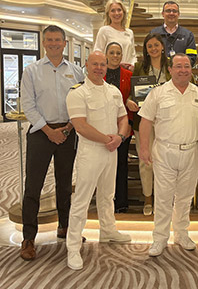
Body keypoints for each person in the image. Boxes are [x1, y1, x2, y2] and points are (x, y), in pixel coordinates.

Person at [19, 25, 84, 261]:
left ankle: (65, 227)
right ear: (43, 43)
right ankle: (28, 238)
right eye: (50, 40)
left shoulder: (77, 72)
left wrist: (67, 128)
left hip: (68, 132)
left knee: (65, 183)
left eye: (58, 40)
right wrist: (48, 130)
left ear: (65, 43)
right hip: (40, 133)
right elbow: (28, 105)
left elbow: (81, 101)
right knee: (33, 186)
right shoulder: (32, 71)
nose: (54, 43)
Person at [66, 51, 131, 269]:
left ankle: (108, 230)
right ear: (86, 65)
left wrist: (120, 137)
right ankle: (73, 246)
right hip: (91, 150)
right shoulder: (78, 92)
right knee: (82, 200)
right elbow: (80, 125)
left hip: (111, 149)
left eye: (102, 64)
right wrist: (108, 140)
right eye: (95, 64)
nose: (99, 68)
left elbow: (123, 118)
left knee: (107, 194)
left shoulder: (113, 91)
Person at [139, 54, 198, 255]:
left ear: (191, 69)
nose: (183, 70)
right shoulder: (158, 93)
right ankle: (159, 238)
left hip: (192, 151)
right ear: (170, 69)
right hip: (164, 151)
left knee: (185, 197)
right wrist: (143, 148)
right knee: (163, 198)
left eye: (187, 66)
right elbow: (145, 121)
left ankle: (181, 233)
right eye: (178, 66)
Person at [127, 31, 172, 214]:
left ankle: (165, 199)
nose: (153, 48)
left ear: (162, 47)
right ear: (146, 50)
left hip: (167, 120)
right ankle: (148, 199)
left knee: (166, 161)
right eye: (149, 46)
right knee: (146, 160)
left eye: (156, 45)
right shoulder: (139, 67)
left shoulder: (171, 66)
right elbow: (132, 92)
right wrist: (129, 101)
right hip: (143, 120)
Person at [102, 42, 134, 213]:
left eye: (118, 53)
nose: (115, 56)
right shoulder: (99, 73)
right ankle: (105, 202)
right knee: (104, 165)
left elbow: (132, 98)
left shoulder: (128, 75)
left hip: (123, 127)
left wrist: (128, 124)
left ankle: (121, 202)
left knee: (121, 164)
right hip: (102, 127)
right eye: (112, 52)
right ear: (106, 54)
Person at [150, 1, 197, 65]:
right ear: (163, 14)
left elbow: (192, 57)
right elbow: (149, 55)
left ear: (178, 14)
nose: (171, 13)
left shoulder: (188, 35)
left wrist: (178, 66)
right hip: (159, 72)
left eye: (174, 11)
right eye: (168, 11)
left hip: (181, 73)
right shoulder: (154, 34)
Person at [93, 0, 136, 68]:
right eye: (113, 11)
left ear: (123, 12)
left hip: (127, 72)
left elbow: (133, 55)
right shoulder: (104, 30)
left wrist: (132, 66)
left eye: (119, 10)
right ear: (108, 14)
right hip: (110, 71)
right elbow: (98, 54)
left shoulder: (129, 32)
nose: (116, 13)